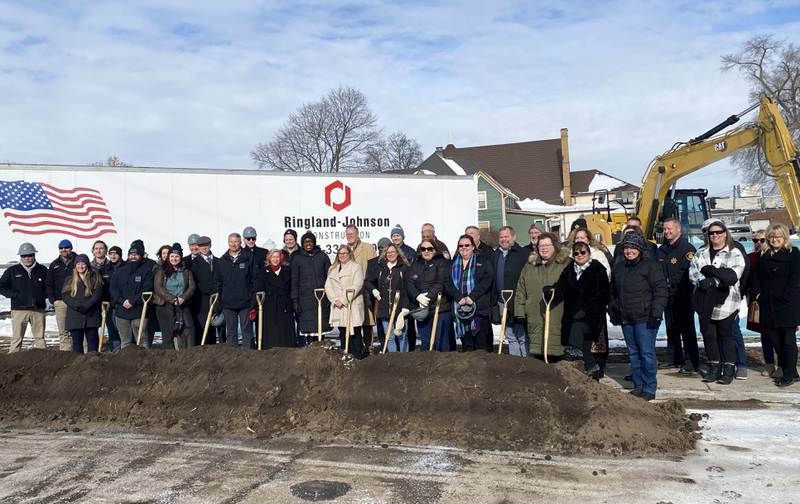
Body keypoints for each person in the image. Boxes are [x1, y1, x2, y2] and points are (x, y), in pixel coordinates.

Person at [609, 232, 668, 401]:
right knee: (633, 353)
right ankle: (638, 385)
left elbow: (661, 290)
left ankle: (649, 387)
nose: (629, 251)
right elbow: (613, 290)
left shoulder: (651, 266)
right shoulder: (619, 267)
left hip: (645, 317)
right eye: (626, 248)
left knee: (646, 353)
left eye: (633, 248)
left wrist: (656, 313)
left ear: (640, 249)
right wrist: (613, 308)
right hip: (627, 317)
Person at [689, 220, 747, 385]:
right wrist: (701, 281)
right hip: (705, 300)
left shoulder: (734, 252)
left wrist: (714, 280)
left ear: (725, 233)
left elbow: (733, 274)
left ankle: (728, 369)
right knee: (709, 336)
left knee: (726, 336)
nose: (715, 235)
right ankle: (714, 367)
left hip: (727, 302)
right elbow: (693, 270)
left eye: (718, 232)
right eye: (711, 233)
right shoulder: (701, 252)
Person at [751, 223, 800, 387]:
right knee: (775, 340)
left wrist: (787, 296)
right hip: (768, 304)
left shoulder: (793, 254)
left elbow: (796, 278)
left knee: (788, 341)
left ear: (784, 237)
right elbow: (756, 277)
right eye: (772, 237)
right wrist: (758, 294)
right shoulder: (765, 254)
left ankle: (788, 373)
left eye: (778, 237)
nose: (774, 240)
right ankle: (791, 371)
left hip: (787, 305)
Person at [553, 242, 610, 378]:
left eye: (583, 252)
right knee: (583, 343)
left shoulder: (597, 269)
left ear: (588, 253)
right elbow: (561, 288)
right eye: (576, 253)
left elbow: (605, 293)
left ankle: (584, 363)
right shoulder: (569, 270)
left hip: (592, 315)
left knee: (584, 339)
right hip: (572, 314)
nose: (579, 255)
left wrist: (590, 308)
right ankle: (590, 368)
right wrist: (552, 291)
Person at [514, 232, 570, 361]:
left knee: (557, 353)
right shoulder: (530, 267)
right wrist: (520, 313)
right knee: (538, 354)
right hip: (535, 316)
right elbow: (520, 291)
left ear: (555, 246)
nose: (544, 248)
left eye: (547, 245)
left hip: (558, 315)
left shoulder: (565, 264)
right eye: (541, 246)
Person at [657, 218, 699, 373]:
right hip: (667, 297)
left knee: (687, 330)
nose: (667, 232)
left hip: (683, 296)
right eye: (665, 229)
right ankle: (674, 358)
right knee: (671, 329)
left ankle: (691, 360)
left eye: (670, 229)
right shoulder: (662, 250)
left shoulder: (687, 249)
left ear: (678, 230)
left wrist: (671, 282)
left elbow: (688, 273)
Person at [445, 234, 494, 351]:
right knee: (467, 347)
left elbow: (487, 280)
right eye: (461, 245)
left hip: (479, 310)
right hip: (461, 311)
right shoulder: (452, 264)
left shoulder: (482, 261)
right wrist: (458, 297)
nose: (464, 248)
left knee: (480, 346)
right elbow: (447, 283)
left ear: (473, 247)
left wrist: (472, 297)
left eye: (467, 245)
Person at [0, 243, 48, 353]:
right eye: (24, 256)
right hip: (19, 310)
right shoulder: (12, 271)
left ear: (34, 255)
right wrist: (14, 295)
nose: (27, 258)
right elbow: (1, 286)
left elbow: (49, 286)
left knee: (40, 338)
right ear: (20, 257)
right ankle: (12, 363)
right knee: (17, 338)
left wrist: (42, 296)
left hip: (38, 310)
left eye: (29, 255)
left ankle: (45, 364)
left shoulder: (42, 270)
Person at [407, 239, 453, 351]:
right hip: (422, 310)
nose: (426, 251)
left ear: (435, 250)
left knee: (440, 342)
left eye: (429, 249)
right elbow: (409, 282)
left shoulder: (442, 263)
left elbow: (441, 282)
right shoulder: (416, 264)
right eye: (423, 249)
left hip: (440, 308)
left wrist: (427, 298)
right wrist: (418, 296)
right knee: (426, 343)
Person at [492, 226, 531, 356]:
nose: (504, 239)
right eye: (501, 237)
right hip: (502, 301)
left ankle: (526, 362)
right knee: (510, 335)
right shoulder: (495, 255)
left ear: (514, 237)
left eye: (506, 236)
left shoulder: (522, 254)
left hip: (518, 301)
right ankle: (515, 362)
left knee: (521, 335)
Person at [215, 232, 258, 349]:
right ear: (228, 243)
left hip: (245, 302)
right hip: (228, 303)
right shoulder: (222, 261)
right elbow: (219, 282)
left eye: (236, 242)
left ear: (240, 242)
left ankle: (248, 357)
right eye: (231, 242)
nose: (233, 244)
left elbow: (254, 279)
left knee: (246, 330)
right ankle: (232, 358)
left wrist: (253, 300)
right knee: (231, 332)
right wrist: (220, 301)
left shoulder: (248, 258)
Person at [110, 240, 155, 349]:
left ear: (141, 255)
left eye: (136, 254)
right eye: (131, 254)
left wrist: (132, 301)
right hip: (121, 312)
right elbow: (113, 289)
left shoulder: (146, 271)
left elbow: (147, 290)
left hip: (139, 311)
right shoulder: (119, 271)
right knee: (125, 342)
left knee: (142, 342)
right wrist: (122, 301)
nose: (133, 257)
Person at [365, 243, 410, 352]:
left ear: (398, 253)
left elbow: (409, 288)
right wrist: (374, 290)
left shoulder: (404, 268)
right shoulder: (381, 268)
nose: (390, 254)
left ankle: (405, 360)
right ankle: (393, 360)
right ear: (385, 254)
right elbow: (367, 281)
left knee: (402, 335)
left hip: (400, 308)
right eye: (388, 252)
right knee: (389, 337)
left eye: (393, 252)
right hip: (384, 307)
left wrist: (406, 307)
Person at [325, 244, 366, 358]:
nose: (342, 255)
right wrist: (335, 300)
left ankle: (357, 356)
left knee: (354, 331)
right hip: (338, 306)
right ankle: (345, 355)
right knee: (342, 331)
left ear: (349, 254)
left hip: (351, 304)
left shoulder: (355, 267)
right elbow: (328, 286)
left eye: (345, 253)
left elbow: (357, 285)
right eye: (340, 253)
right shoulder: (332, 269)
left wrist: (343, 300)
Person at [746, 230, 777, 377]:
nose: (758, 243)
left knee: (779, 334)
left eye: (761, 240)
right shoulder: (751, 257)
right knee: (764, 334)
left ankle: (784, 364)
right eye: (755, 241)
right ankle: (769, 363)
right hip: (757, 300)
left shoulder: (774, 256)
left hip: (776, 300)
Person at [291, 231, 332, 343]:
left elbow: (330, 278)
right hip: (305, 300)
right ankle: (310, 351)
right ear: (302, 244)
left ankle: (321, 350)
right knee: (309, 329)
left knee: (321, 327)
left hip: (322, 298)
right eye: (305, 242)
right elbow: (294, 281)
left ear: (314, 242)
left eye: (310, 241)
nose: (308, 244)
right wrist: (295, 300)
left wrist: (330, 296)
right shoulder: (297, 258)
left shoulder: (322, 256)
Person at [153, 243, 196, 350]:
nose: (174, 259)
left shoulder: (186, 271)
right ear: (168, 257)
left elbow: (192, 287)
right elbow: (158, 287)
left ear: (180, 257)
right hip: (165, 305)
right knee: (168, 333)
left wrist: (183, 298)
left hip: (182, 303)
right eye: (172, 256)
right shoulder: (161, 270)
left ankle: (187, 355)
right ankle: (169, 358)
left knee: (188, 329)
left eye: (177, 256)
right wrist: (172, 299)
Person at [254, 249, 296, 348]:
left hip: (284, 305)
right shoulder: (264, 271)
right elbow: (259, 289)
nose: (275, 259)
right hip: (269, 305)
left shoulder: (287, 270)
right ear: (269, 258)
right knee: (271, 330)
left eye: (277, 257)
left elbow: (291, 287)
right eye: (273, 257)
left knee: (284, 330)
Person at [61, 254, 103, 353]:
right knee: (76, 343)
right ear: (75, 265)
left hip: (91, 315)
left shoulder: (95, 277)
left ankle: (93, 364)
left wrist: (87, 306)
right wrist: (76, 306)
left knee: (93, 342)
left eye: (83, 264)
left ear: (87, 265)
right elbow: (65, 295)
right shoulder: (70, 279)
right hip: (75, 316)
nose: (81, 266)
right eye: (78, 264)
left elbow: (97, 294)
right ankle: (78, 365)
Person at [346, 225, 377, 353]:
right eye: (347, 234)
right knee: (354, 320)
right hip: (350, 291)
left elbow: (374, 268)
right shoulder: (345, 249)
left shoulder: (368, 248)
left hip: (365, 289)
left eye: (351, 234)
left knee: (367, 321)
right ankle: (355, 348)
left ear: (357, 233)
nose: (349, 236)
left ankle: (369, 347)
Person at [189, 236, 223, 345]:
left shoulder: (219, 262)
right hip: (202, 301)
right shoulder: (194, 264)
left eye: (206, 245)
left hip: (218, 299)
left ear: (210, 245)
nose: (204, 248)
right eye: (201, 246)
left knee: (220, 325)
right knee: (204, 327)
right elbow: (195, 282)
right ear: (198, 247)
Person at [46, 239, 77, 351]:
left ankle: (83, 354)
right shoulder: (54, 264)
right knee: (63, 331)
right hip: (60, 302)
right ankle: (66, 354)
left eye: (66, 247)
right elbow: (49, 283)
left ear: (71, 248)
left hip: (76, 301)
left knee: (78, 328)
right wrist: (53, 300)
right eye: (61, 248)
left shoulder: (78, 261)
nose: (64, 250)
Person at [90, 240, 121, 352]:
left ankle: (116, 353)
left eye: (101, 248)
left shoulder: (112, 266)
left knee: (113, 329)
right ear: (93, 251)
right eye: (96, 248)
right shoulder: (88, 266)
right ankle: (94, 353)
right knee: (92, 331)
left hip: (109, 303)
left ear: (105, 251)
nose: (99, 250)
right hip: (93, 304)